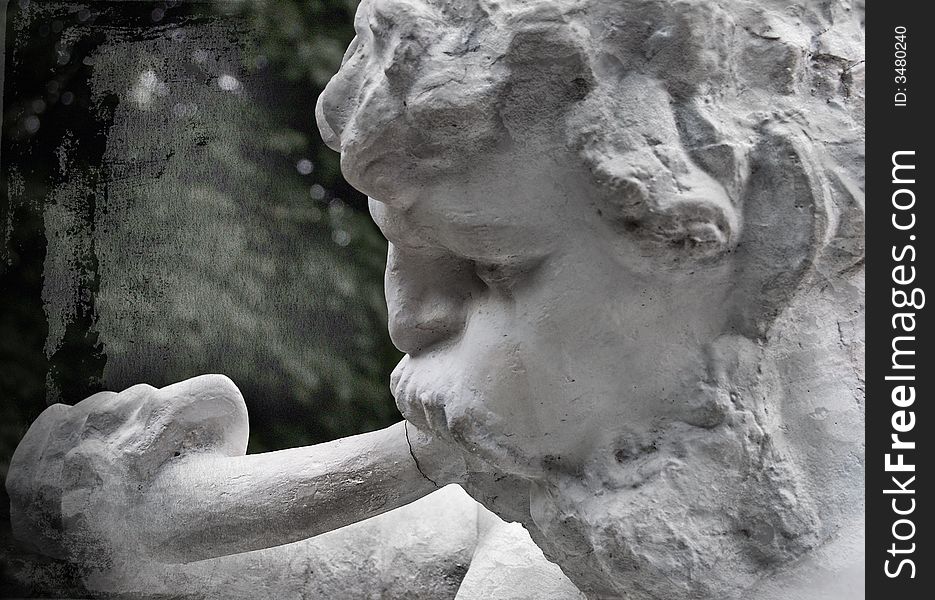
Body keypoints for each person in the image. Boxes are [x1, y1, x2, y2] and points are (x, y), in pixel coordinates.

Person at [8, 0, 865, 598]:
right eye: (398, 247)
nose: (409, 321)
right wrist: (122, 534)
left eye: (488, 264)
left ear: (759, 255)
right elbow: (208, 566)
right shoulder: (534, 527)